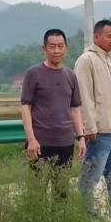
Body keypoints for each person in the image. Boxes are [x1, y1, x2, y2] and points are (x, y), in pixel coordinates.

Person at [20, 28, 86, 186]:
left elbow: (75, 108)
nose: (57, 51)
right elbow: (25, 106)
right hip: (40, 142)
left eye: (61, 46)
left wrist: (81, 137)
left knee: (62, 191)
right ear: (44, 49)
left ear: (66, 48)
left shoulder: (70, 75)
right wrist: (31, 139)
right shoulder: (33, 73)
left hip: (66, 142)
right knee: (37, 191)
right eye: (52, 46)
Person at [75, 19, 111, 216]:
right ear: (97, 36)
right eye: (109, 36)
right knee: (91, 178)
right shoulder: (86, 60)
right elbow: (84, 96)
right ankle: (86, 216)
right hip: (99, 131)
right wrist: (90, 127)